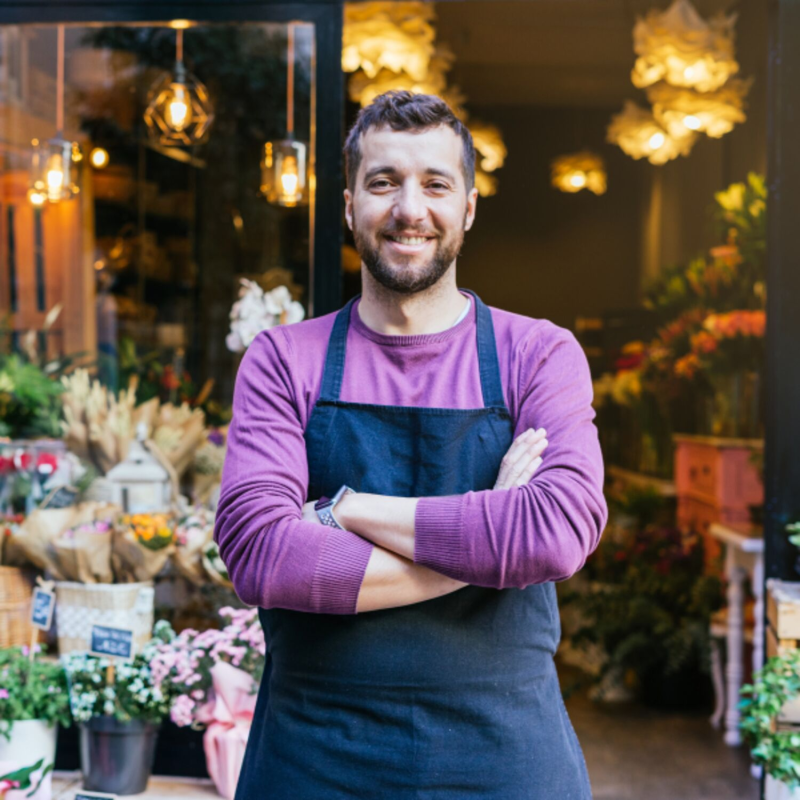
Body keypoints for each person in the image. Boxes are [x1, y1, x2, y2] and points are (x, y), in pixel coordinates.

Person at [216, 91, 607, 799]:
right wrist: (488, 533)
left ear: (468, 208)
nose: (408, 209)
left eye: (435, 184)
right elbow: (260, 553)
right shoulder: (282, 360)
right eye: (383, 182)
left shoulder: (538, 355)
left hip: (504, 757)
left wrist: (347, 510)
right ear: (348, 206)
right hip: (312, 757)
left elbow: (555, 531)